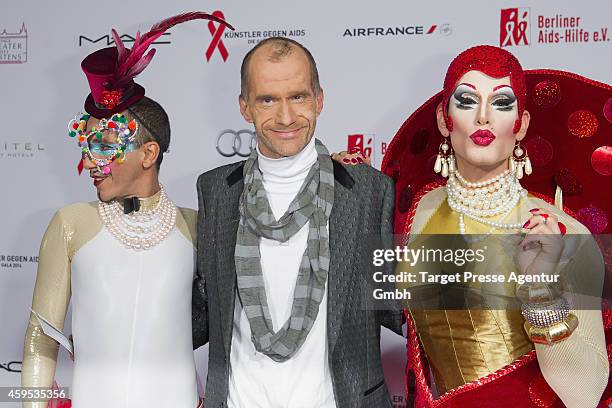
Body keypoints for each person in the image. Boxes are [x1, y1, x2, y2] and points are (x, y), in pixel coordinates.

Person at [21, 12, 232, 408]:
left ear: (148, 153)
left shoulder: (196, 226)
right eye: (86, 146)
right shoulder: (70, 224)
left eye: (102, 145)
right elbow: (39, 338)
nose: (90, 161)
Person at [381, 45, 611, 407]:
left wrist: (541, 291)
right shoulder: (412, 212)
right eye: (467, 101)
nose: (483, 117)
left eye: (502, 103)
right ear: (444, 119)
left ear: (521, 125)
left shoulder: (562, 234)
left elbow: (586, 393)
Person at [192, 37, 404, 408]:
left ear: (319, 99)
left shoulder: (369, 191)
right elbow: (201, 307)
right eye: (268, 100)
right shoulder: (215, 191)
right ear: (245, 107)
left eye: (298, 97)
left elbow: (402, 308)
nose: (286, 117)